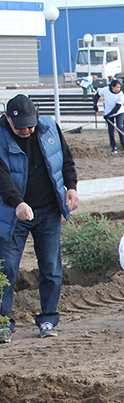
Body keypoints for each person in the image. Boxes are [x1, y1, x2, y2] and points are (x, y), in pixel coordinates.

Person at [0, 94, 79, 343]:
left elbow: (65, 160)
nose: (26, 130)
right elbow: (1, 177)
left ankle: (48, 318)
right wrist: (17, 203)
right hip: (13, 213)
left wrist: (71, 187)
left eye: (30, 125)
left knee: (51, 267)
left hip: (48, 211)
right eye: (20, 127)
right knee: (6, 268)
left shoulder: (49, 127)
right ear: (7, 119)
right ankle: (3, 323)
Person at [95, 79, 124, 154]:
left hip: (119, 112)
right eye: (117, 87)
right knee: (111, 129)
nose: (118, 89)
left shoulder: (120, 94)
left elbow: (117, 107)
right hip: (108, 111)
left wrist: (108, 115)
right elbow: (97, 95)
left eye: (119, 87)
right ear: (112, 87)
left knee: (119, 127)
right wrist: (95, 105)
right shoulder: (105, 90)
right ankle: (113, 147)